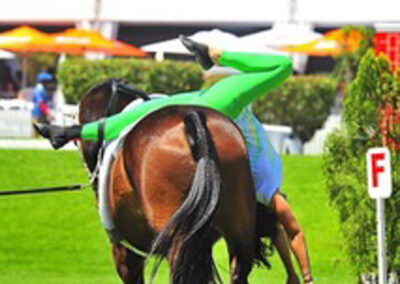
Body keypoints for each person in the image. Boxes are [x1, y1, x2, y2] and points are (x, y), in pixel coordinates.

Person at [34, 36, 313, 283]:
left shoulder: (268, 186)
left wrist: (77, 132)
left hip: (211, 98)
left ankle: (72, 131)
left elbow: (286, 230)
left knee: (139, 115)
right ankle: (72, 131)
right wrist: (300, 276)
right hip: (220, 105)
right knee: (136, 115)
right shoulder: (267, 187)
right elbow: (288, 229)